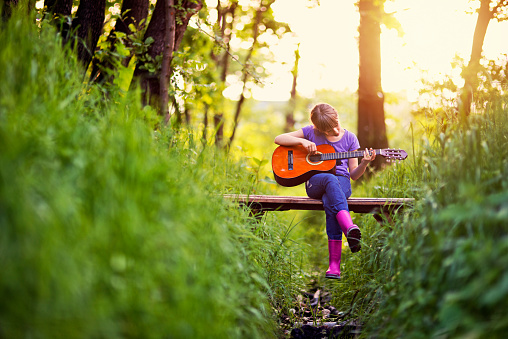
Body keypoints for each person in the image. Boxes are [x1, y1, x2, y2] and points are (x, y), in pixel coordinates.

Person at [274, 103, 375, 279]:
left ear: (337, 116)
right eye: (328, 131)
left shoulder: (350, 138)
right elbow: (278, 138)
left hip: (342, 182)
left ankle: (334, 266)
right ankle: (348, 226)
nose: (335, 132)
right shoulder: (310, 132)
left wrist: (365, 162)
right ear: (317, 128)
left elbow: (354, 175)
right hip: (315, 182)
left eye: (335, 125)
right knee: (329, 179)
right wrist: (302, 141)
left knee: (331, 200)